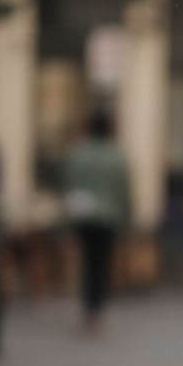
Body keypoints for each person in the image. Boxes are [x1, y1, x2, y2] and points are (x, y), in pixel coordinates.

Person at [64, 110, 131, 332]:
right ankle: (97, 309)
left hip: (83, 216)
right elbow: (124, 190)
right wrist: (128, 219)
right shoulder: (116, 155)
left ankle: (87, 307)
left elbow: (68, 183)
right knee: (101, 263)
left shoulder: (79, 152)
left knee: (87, 262)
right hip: (108, 217)